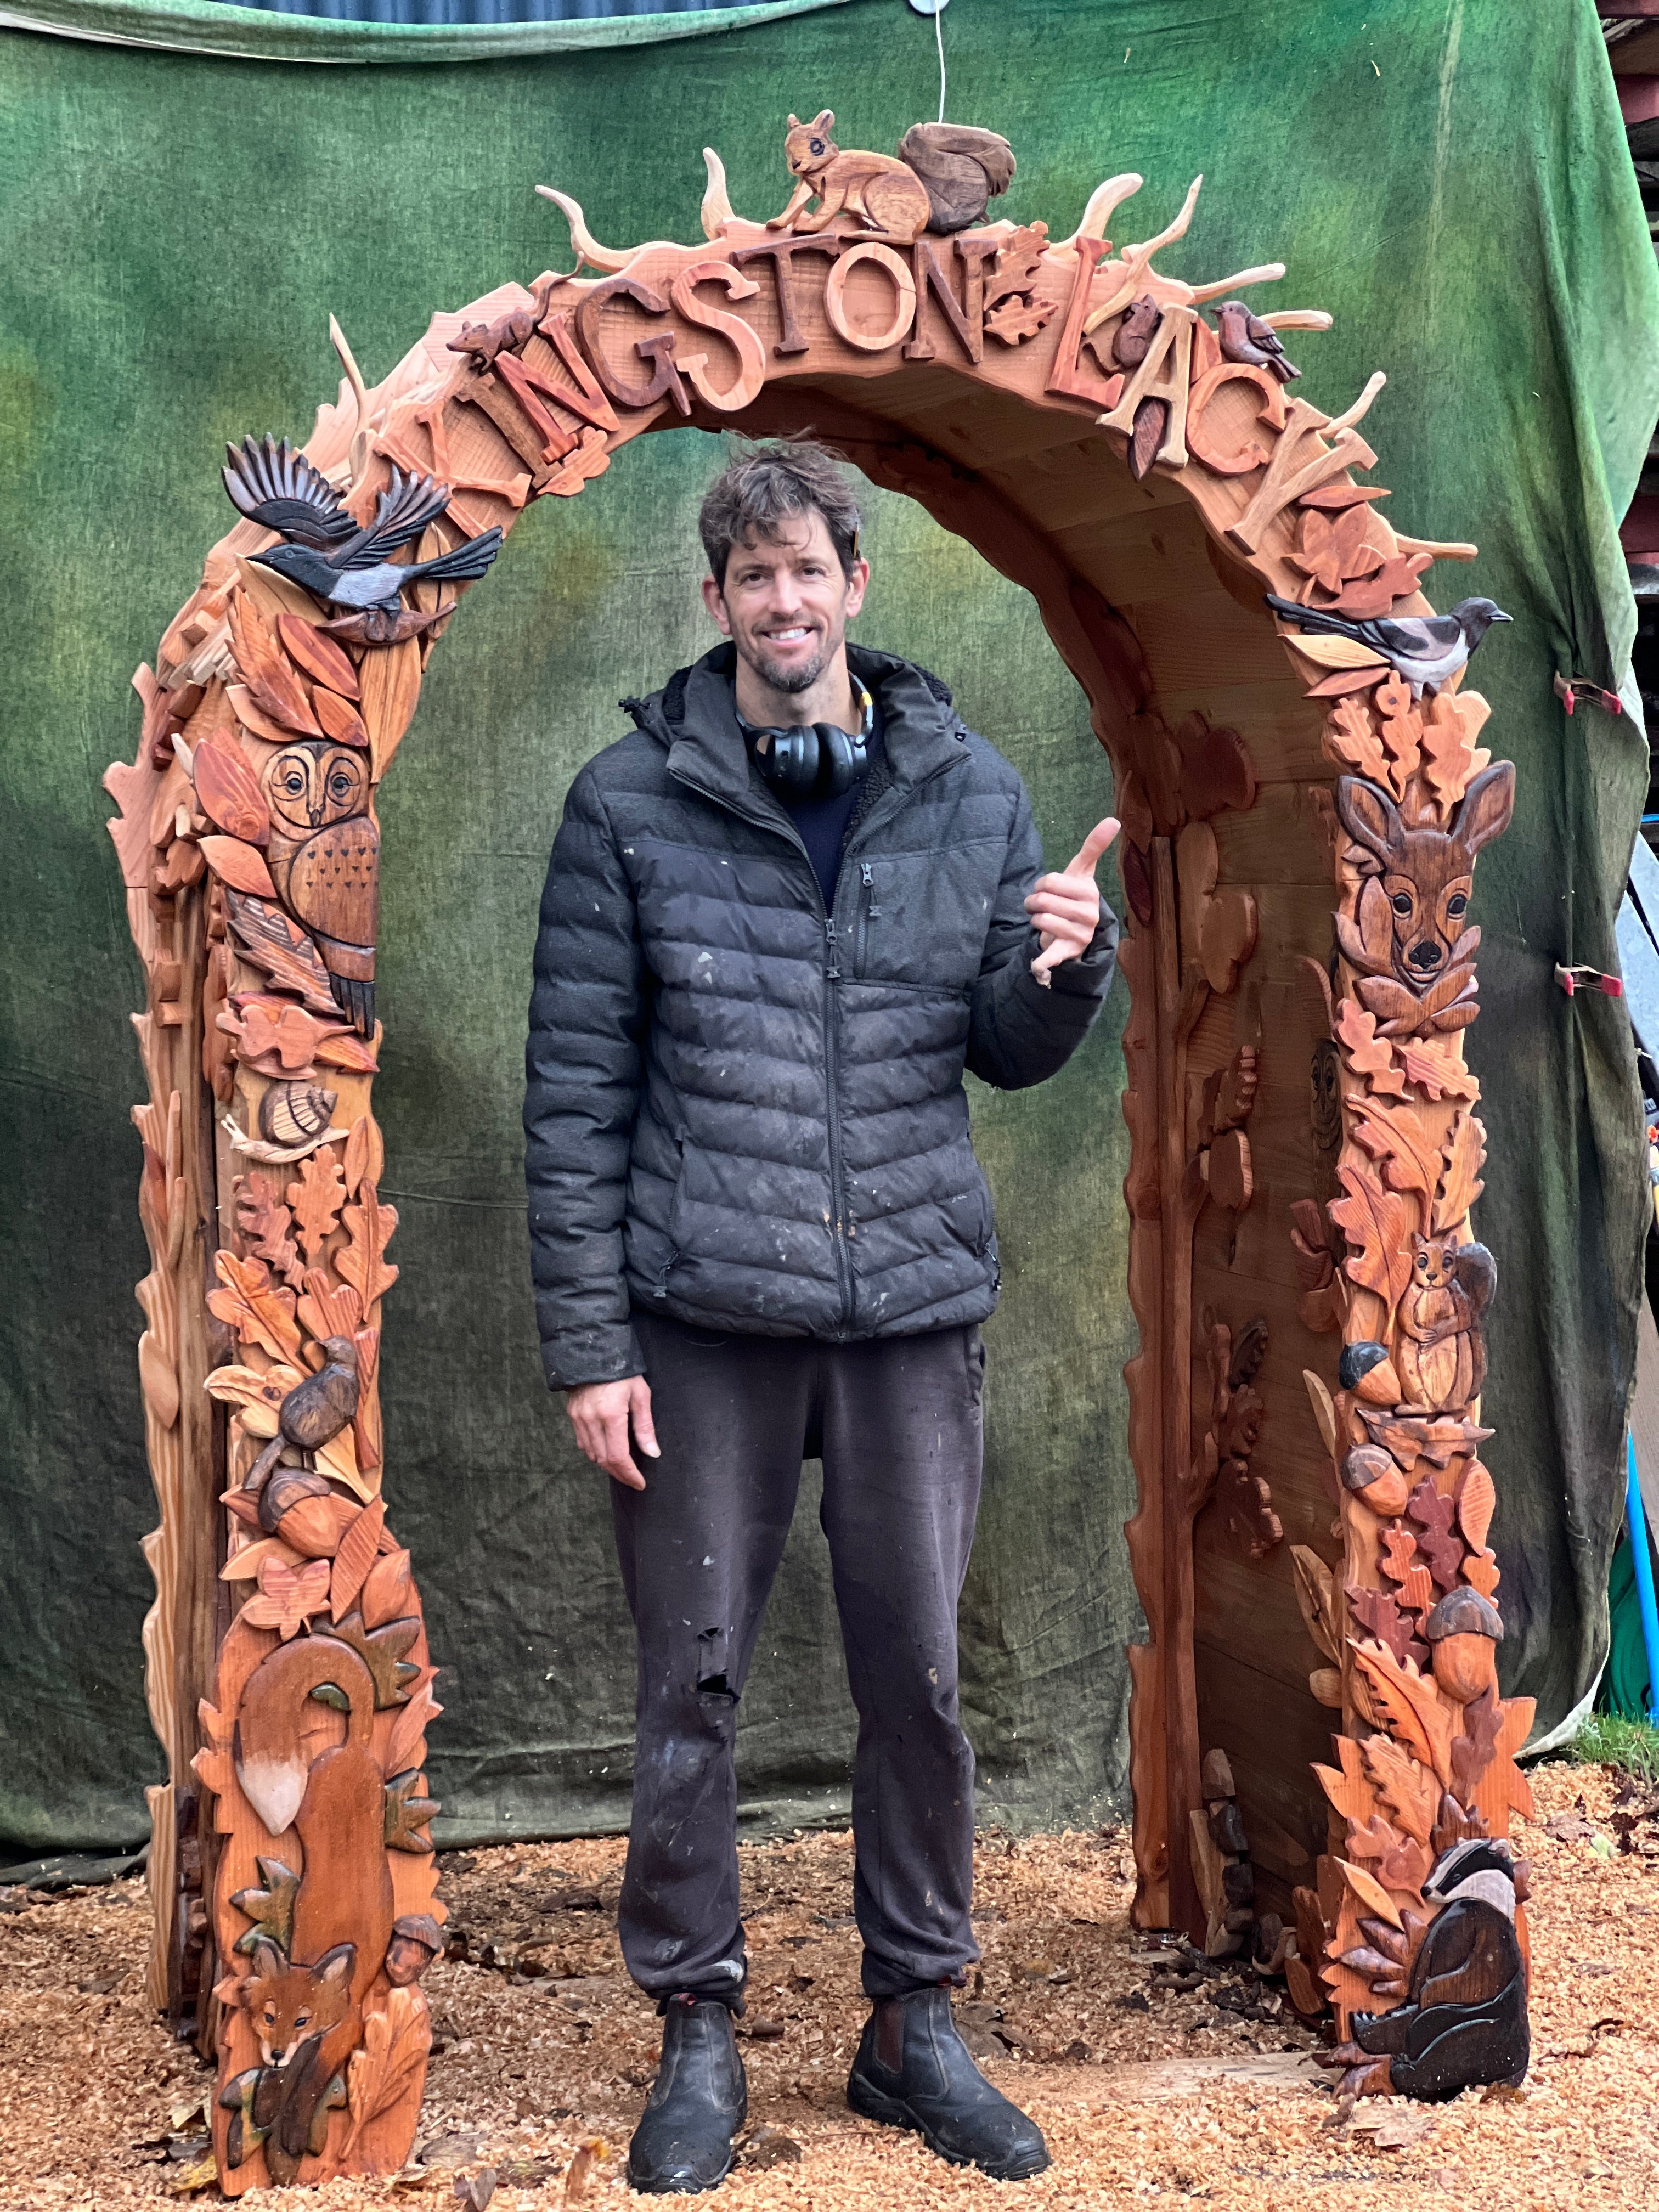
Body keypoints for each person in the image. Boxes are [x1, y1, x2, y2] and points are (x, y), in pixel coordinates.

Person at [524, 441, 1118, 2194]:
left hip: (914, 1316)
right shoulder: (624, 805)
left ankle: (913, 2026)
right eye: (751, 578)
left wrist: (1068, 968)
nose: (784, 603)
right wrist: (588, 1345)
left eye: (810, 571)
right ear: (717, 603)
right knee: (688, 1692)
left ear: (859, 583)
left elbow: (1003, 1048)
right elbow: (571, 1098)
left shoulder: (971, 787)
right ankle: (697, 2034)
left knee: (920, 1689)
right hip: (698, 1318)